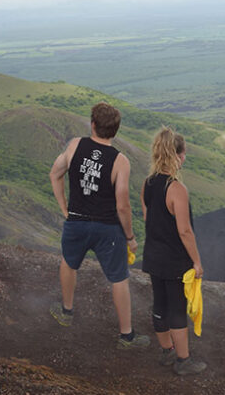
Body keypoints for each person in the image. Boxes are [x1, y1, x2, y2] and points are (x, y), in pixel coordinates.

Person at [48, 102, 150, 349]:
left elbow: (55, 174)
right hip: (108, 229)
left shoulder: (75, 145)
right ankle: (126, 336)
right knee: (119, 279)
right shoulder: (120, 161)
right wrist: (130, 237)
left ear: (93, 124)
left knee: (69, 263)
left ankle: (66, 312)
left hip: (77, 222)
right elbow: (123, 206)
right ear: (115, 130)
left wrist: (65, 209)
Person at [141, 126, 206, 375]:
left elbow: (149, 218)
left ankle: (167, 352)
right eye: (184, 153)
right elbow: (184, 231)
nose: (185, 157)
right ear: (177, 155)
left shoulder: (148, 184)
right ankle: (183, 361)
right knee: (177, 309)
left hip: (154, 256)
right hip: (174, 259)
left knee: (160, 304)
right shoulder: (176, 189)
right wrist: (197, 262)